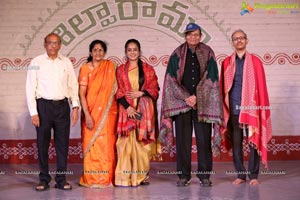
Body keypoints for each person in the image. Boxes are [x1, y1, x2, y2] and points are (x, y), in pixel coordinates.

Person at [159, 23, 223, 187]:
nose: (193, 37)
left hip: (203, 104)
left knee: (203, 141)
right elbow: (170, 80)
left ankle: (204, 176)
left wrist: (197, 96)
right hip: (182, 104)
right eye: (190, 34)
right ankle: (183, 176)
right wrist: (186, 97)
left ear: (200, 36)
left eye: (196, 34)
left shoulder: (208, 52)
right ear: (185, 36)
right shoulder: (177, 54)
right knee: (183, 141)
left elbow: (212, 77)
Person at [26, 33, 79, 191]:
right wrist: (33, 112)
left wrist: (75, 107)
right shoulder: (36, 62)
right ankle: (43, 179)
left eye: (56, 43)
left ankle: (61, 180)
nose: (53, 46)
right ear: (45, 44)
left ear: (60, 45)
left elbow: (72, 85)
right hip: (43, 107)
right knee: (42, 144)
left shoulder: (66, 62)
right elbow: (30, 88)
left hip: (62, 107)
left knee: (62, 145)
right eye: (50, 43)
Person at [219, 29, 272, 185]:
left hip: (251, 108)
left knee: (253, 141)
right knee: (236, 141)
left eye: (241, 38)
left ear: (247, 41)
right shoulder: (227, 62)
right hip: (234, 107)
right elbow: (223, 87)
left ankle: (253, 175)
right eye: (236, 39)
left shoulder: (255, 61)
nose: (239, 41)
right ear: (232, 42)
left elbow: (262, 87)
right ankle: (240, 174)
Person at [115, 39, 159, 186]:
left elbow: (155, 89)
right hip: (126, 110)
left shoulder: (147, 69)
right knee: (124, 143)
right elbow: (118, 91)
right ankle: (124, 178)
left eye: (135, 49)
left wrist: (141, 93)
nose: (132, 52)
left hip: (143, 110)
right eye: (129, 50)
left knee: (141, 144)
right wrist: (127, 107)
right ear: (126, 52)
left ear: (139, 52)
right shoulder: (120, 69)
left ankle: (140, 176)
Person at [78, 40, 118, 188]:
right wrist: (87, 115)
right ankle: (92, 178)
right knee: (92, 143)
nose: (98, 53)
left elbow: (116, 90)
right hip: (91, 112)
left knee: (107, 143)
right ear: (90, 52)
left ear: (105, 52)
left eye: (101, 50)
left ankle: (107, 178)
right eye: (95, 50)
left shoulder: (110, 67)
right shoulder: (85, 68)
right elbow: (82, 94)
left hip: (109, 113)